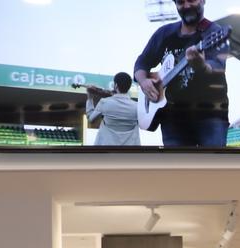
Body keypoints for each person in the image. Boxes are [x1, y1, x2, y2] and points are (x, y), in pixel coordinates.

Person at [134, 0, 231, 147]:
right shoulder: (164, 33)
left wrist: (201, 65)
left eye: (191, 0)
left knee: (212, 166)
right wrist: (143, 82)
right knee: (178, 168)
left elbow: (217, 67)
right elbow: (142, 62)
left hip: (210, 116)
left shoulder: (214, 33)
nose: (186, 6)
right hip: (172, 121)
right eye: (180, 2)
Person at [84, 73, 140, 146]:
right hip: (130, 151)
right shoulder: (137, 107)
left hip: (106, 149)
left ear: (115, 85)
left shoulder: (104, 102)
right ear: (129, 87)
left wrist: (90, 98)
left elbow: (90, 119)